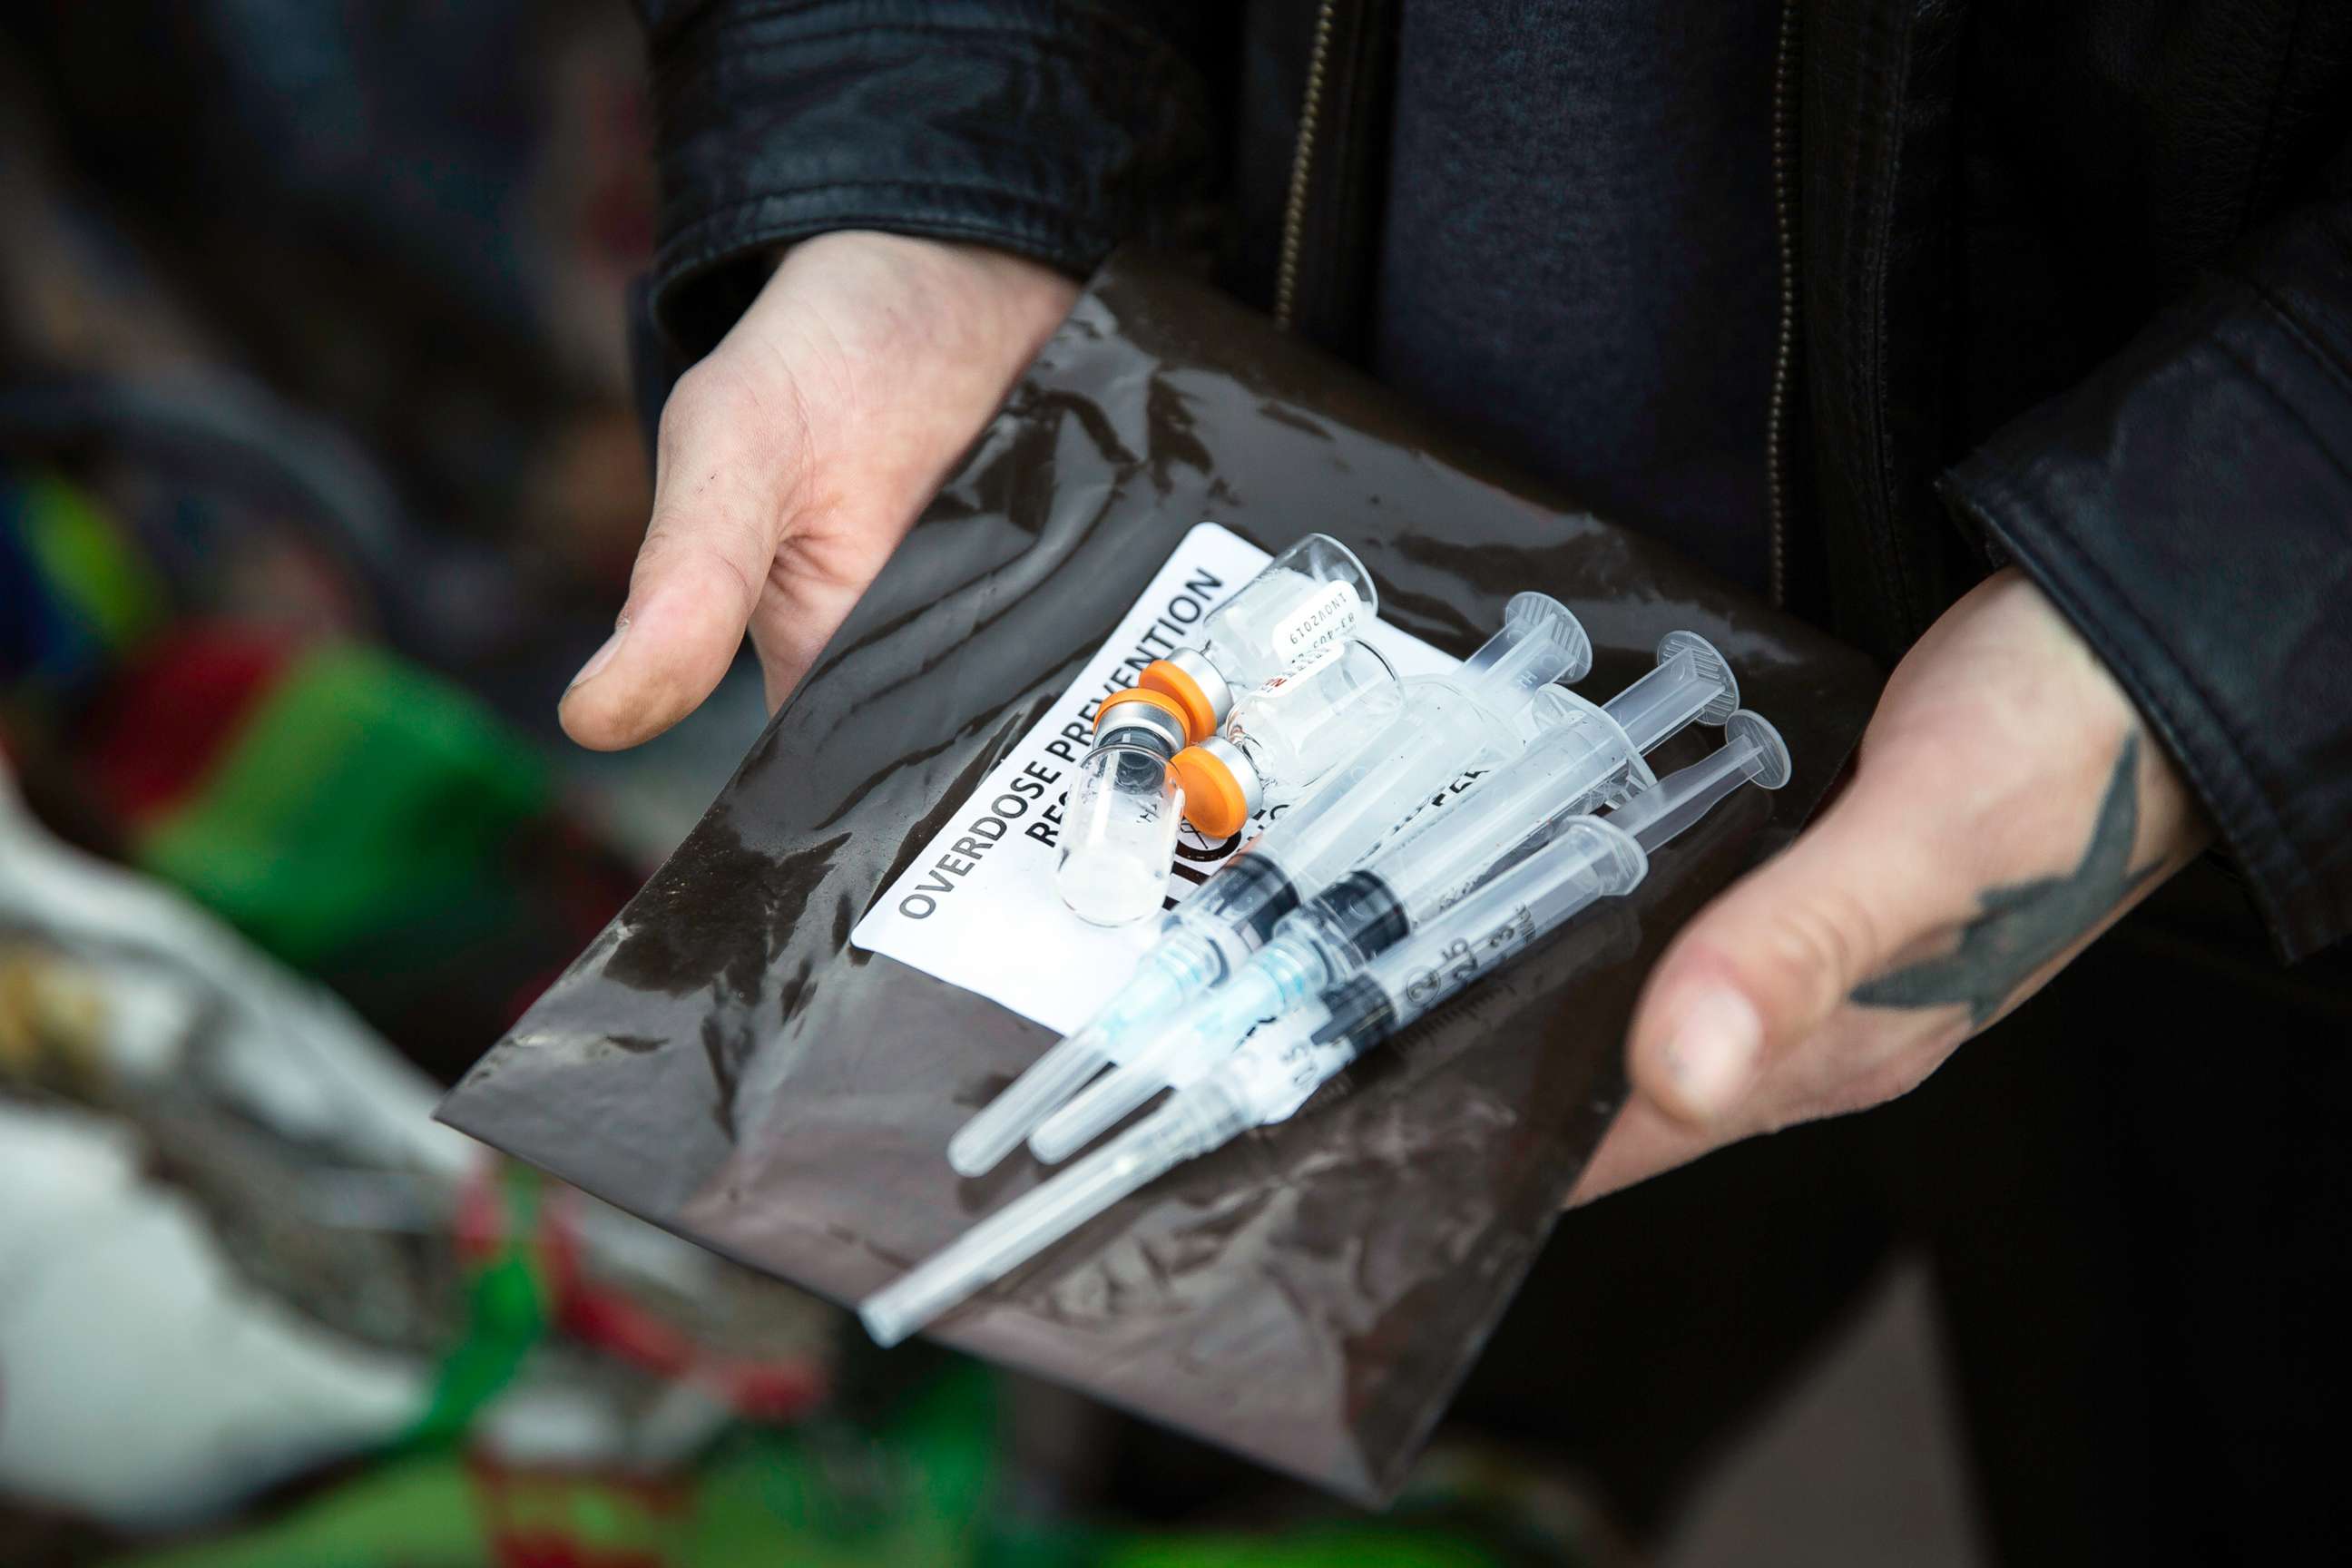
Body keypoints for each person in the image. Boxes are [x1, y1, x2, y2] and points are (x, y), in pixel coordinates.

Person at [563, 3, 2352, 1556]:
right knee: (1329, 1383)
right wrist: (918, 159)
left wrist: (2225, 625)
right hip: (1323, 473)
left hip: (2243, 882)